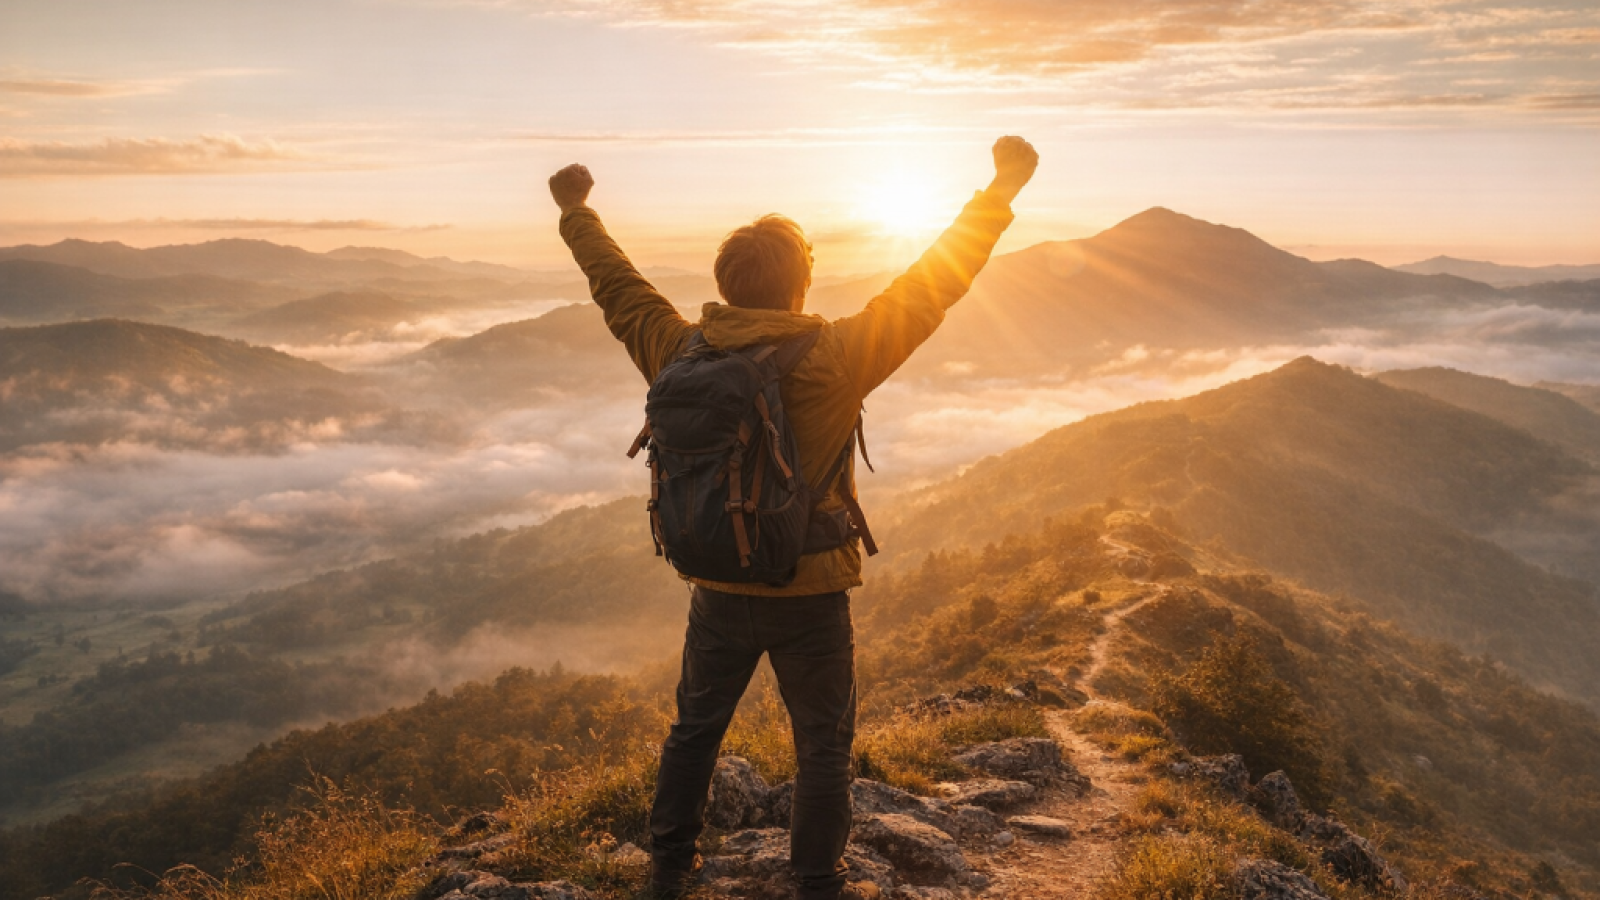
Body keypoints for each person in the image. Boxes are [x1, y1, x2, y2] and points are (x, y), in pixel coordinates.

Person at [548, 135, 1038, 900]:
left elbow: (616, 287)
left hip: (717, 584)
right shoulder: (837, 356)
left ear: (726, 285)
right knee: (821, 750)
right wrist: (1001, 189)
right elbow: (934, 283)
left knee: (695, 731)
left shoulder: (679, 349)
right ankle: (816, 882)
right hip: (811, 592)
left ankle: (670, 867)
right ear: (802, 285)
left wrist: (577, 212)